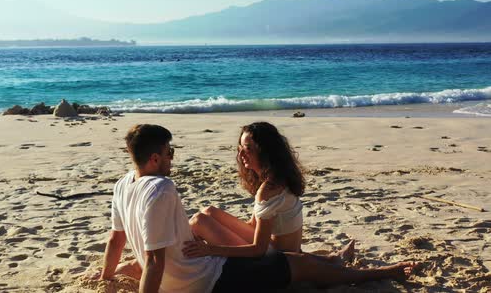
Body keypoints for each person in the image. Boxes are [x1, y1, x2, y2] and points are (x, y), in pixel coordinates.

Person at [91, 124, 415, 293]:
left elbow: (115, 240)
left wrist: (107, 275)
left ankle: (335, 260)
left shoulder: (122, 184)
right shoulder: (163, 187)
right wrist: (208, 251)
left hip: (185, 275)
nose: (173, 157)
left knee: (203, 219)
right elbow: (155, 260)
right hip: (202, 281)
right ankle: (378, 273)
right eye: (169, 152)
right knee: (297, 267)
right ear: (156, 158)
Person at [185, 121, 353, 264]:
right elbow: (253, 226)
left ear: (265, 151)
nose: (241, 154)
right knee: (209, 212)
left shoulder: (269, 189)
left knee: (199, 221)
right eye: (240, 148)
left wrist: (210, 249)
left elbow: (258, 250)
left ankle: (192, 263)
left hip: (278, 261)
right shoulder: (278, 177)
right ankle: (331, 260)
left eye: (248, 149)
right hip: (283, 249)